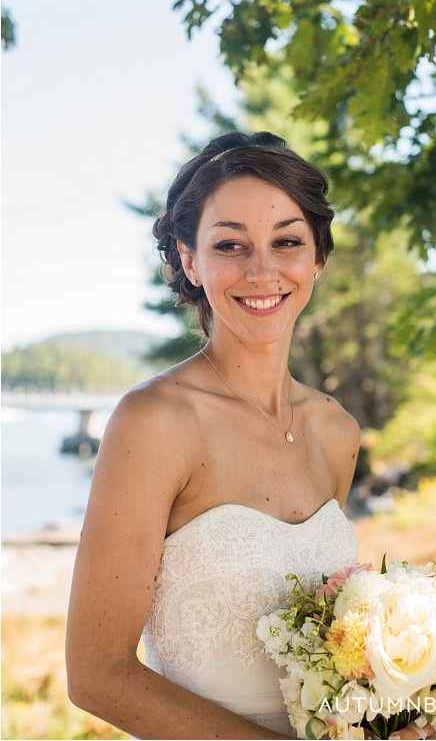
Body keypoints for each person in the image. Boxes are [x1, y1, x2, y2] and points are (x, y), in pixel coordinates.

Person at [66, 132, 363, 738]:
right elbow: (97, 673)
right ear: (191, 260)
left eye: (287, 242)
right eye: (230, 244)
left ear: (317, 261)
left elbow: (333, 660)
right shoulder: (154, 422)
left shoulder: (337, 432)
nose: (262, 270)